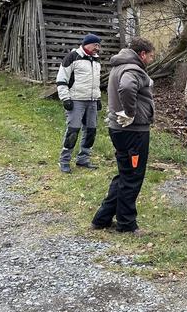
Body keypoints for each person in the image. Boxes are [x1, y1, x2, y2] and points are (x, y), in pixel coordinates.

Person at [92, 37, 156, 235]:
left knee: (125, 173)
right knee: (132, 177)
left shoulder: (119, 66)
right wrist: (130, 112)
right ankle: (126, 224)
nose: (151, 60)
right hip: (133, 132)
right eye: (151, 56)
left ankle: (102, 219)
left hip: (119, 129)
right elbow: (127, 88)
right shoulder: (132, 69)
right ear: (142, 54)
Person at [55, 33, 102, 173]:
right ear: (87, 44)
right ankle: (64, 161)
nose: (97, 48)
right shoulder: (72, 57)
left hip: (92, 101)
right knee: (73, 131)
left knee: (91, 131)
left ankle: (83, 159)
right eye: (95, 45)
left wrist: (98, 99)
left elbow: (96, 82)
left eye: (99, 45)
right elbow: (61, 79)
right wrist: (65, 98)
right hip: (76, 100)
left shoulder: (96, 60)